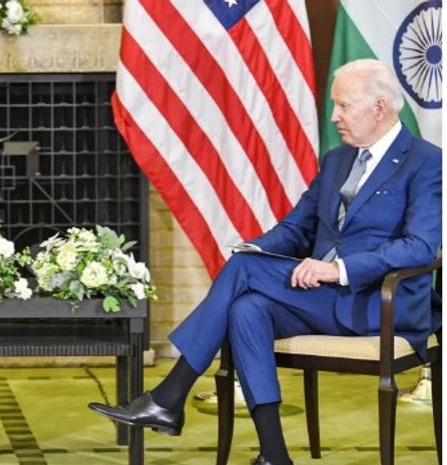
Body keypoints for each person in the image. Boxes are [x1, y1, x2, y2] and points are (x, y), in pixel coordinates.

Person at [88, 58, 441, 465]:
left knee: (242, 276)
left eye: (343, 106)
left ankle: (169, 396)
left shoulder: (425, 160)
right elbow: (297, 229)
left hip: (380, 305)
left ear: (379, 108)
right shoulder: (337, 160)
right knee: (246, 308)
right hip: (326, 299)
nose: (334, 117)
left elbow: (419, 246)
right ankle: (273, 454)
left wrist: (337, 269)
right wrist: (254, 248)